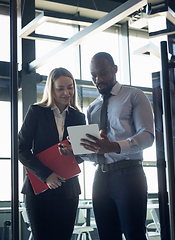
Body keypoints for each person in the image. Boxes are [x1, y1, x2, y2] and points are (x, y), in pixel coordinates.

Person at [60, 52, 154, 240]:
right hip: (101, 178)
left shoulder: (134, 96)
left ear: (115, 70)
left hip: (129, 175)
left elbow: (147, 136)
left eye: (103, 73)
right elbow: (96, 150)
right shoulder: (92, 108)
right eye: (94, 75)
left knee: (134, 234)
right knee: (106, 236)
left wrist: (114, 147)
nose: (98, 79)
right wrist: (76, 152)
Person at [18, 67, 86, 240]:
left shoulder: (79, 117)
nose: (66, 92)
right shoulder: (36, 112)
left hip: (68, 191)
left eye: (70, 87)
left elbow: (82, 154)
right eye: (60, 88)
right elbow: (20, 148)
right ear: (51, 89)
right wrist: (46, 175)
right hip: (40, 189)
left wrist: (74, 154)